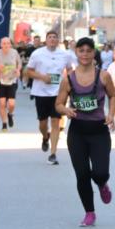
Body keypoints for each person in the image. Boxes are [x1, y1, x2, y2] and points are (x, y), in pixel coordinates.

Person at [55, 37, 115, 226]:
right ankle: (89, 212)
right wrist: (66, 110)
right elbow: (58, 104)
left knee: (100, 172)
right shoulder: (68, 79)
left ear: (93, 53)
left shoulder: (103, 76)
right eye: (81, 50)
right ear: (76, 53)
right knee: (82, 174)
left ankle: (102, 183)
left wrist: (111, 114)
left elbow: (113, 96)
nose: (84, 54)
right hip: (77, 132)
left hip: (99, 130)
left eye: (88, 51)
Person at [25, 30, 77, 164]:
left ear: (58, 40)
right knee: (43, 123)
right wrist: (42, 77)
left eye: (55, 37)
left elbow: (70, 69)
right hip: (41, 92)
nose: (52, 39)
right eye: (50, 37)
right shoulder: (37, 54)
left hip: (58, 92)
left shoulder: (65, 54)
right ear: (46, 40)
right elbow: (28, 71)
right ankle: (45, 136)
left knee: (56, 122)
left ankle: (53, 153)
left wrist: (69, 79)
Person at [0, 37, 21, 131]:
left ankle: (10, 114)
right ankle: (4, 124)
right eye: (4, 43)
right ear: (0, 45)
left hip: (12, 80)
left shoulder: (14, 53)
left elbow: (19, 63)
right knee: (2, 103)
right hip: (1, 80)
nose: (6, 45)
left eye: (8, 43)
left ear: (10, 44)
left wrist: (18, 70)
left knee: (11, 104)